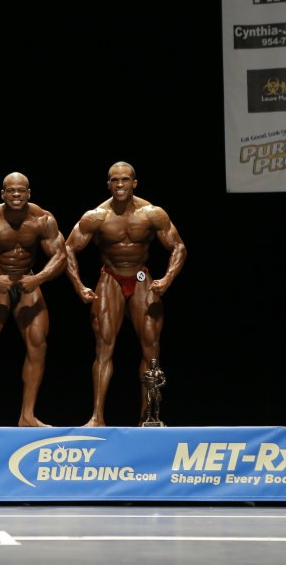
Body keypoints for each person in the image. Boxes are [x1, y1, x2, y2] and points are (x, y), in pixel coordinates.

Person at [65, 161, 186, 427]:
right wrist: (79, 285)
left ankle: (148, 417)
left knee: (151, 347)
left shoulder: (152, 213)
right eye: (115, 180)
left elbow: (178, 246)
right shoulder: (97, 216)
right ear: (108, 184)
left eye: (125, 179)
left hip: (141, 277)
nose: (120, 184)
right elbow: (69, 248)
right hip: (110, 277)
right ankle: (97, 417)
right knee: (103, 346)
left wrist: (167, 279)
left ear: (134, 183)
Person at [0, 172, 67, 427]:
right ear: (3, 194)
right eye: (11, 191)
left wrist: (39, 278)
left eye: (21, 190)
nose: (16, 195)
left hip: (28, 280)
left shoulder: (42, 219)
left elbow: (60, 255)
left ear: (29, 193)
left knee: (38, 344)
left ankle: (27, 415)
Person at [141, 358, 166, 424]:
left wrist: (158, 385)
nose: (153, 364)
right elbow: (143, 381)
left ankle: (157, 417)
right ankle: (148, 417)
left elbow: (164, 381)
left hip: (156, 390)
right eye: (152, 363)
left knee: (157, 404)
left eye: (154, 363)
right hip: (149, 390)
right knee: (149, 404)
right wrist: (147, 383)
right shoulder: (147, 373)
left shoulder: (159, 372)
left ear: (156, 364)